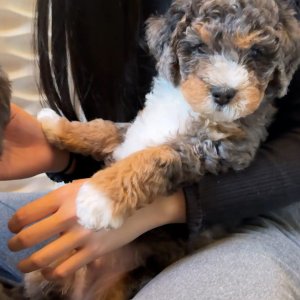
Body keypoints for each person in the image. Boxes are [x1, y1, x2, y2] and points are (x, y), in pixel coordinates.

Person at [0, 0, 300, 299]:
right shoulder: (117, 24)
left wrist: (155, 207)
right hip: (129, 205)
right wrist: (63, 155)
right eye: (198, 49)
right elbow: (135, 135)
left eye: (256, 53)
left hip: (261, 208)